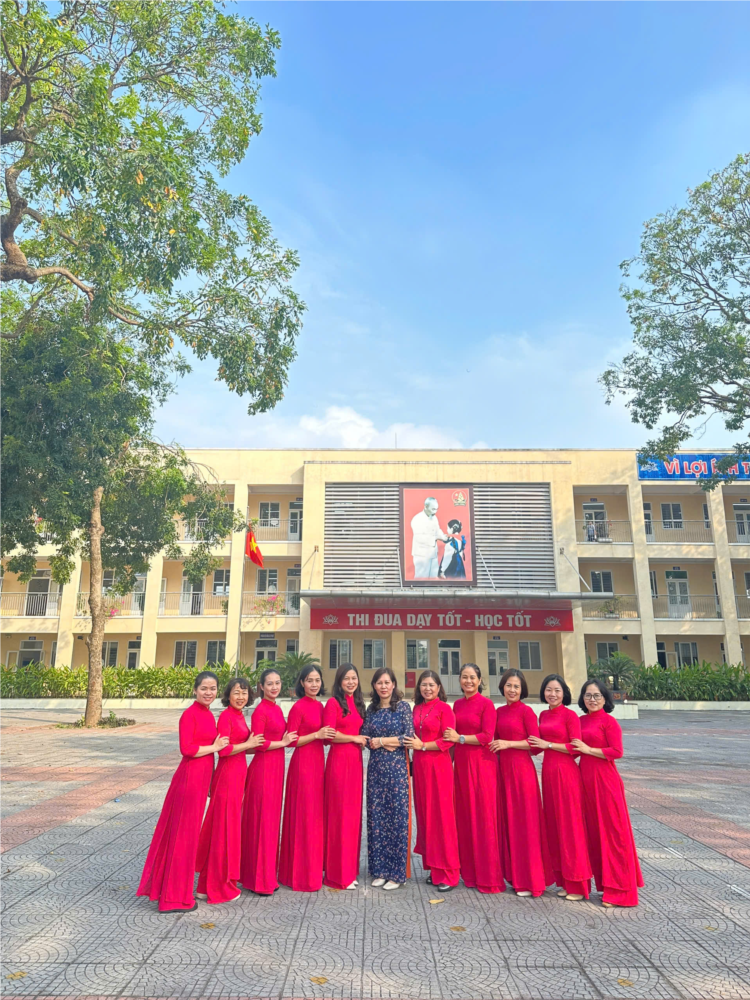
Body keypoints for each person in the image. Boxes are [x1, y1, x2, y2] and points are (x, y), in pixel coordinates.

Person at [137, 671, 229, 912]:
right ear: (194, 690)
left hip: (201, 780)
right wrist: (214, 747)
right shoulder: (189, 715)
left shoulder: (208, 714)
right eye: (204, 688)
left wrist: (211, 780)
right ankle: (173, 899)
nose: (208, 692)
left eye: (212, 688)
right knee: (183, 838)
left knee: (188, 838)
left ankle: (176, 892)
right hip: (189, 780)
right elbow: (186, 749)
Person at [572, 679, 644, 907]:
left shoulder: (609, 722)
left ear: (605, 698)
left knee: (613, 834)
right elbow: (571, 748)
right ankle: (605, 885)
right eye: (588, 695)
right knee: (595, 835)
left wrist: (588, 749)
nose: (592, 699)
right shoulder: (580, 721)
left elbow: (616, 751)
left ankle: (620, 891)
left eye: (597, 695)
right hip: (585, 782)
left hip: (605, 782)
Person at [195, 677, 264, 904]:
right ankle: (217, 887)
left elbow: (244, 747)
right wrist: (249, 744)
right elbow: (223, 751)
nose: (241, 697)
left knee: (225, 829)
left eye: (244, 692)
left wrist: (259, 744)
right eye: (236, 692)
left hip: (237, 776)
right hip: (227, 777)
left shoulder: (239, 716)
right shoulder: (226, 716)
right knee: (222, 830)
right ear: (228, 695)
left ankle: (205, 886)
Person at [528, 674, 592, 901]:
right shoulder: (543, 714)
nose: (552, 694)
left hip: (566, 774)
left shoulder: (570, 715)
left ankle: (579, 885)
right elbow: (535, 746)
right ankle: (564, 881)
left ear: (564, 693)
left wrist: (548, 744)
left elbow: (576, 747)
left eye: (556, 690)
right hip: (548, 773)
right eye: (548, 690)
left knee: (570, 827)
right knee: (555, 826)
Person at [490, 668, 552, 898]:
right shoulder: (498, 712)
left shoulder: (526, 712)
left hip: (522, 772)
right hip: (502, 772)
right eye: (508, 685)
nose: (512, 690)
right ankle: (515, 877)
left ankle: (531, 880)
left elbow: (535, 743)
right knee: (509, 824)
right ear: (502, 687)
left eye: (516, 686)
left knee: (526, 824)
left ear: (522, 689)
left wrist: (508, 744)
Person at [443, 663, 504, 893]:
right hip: (461, 765)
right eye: (464, 677)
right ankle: (468, 874)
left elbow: (487, 736)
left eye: (472, 677)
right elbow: (449, 738)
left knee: (483, 818)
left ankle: (488, 877)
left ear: (479, 680)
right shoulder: (457, 705)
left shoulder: (487, 705)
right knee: (465, 817)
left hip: (482, 765)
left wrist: (460, 738)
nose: (468, 681)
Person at [239, 668, 298, 895]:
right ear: (261, 687)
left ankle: (266, 874)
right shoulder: (260, 711)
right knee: (261, 822)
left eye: (277, 683)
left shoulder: (277, 708)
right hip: (263, 770)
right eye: (270, 684)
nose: (274, 687)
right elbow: (258, 743)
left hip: (276, 769)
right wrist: (282, 743)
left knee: (271, 822)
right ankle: (258, 880)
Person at [278, 664, 335, 892]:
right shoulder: (298, 707)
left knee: (314, 817)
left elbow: (327, 736)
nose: (314, 684)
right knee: (303, 816)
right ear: (302, 683)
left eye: (317, 680)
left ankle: (312, 868)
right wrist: (316, 734)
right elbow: (290, 741)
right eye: (309, 680)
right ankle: (298, 873)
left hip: (318, 764)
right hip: (302, 766)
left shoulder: (320, 706)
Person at [405, 669, 460, 892]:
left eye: (431, 685)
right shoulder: (416, 708)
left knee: (442, 818)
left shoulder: (445, 709)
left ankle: (449, 873)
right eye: (424, 685)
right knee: (426, 816)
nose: (427, 688)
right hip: (420, 768)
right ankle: (434, 869)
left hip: (439, 767)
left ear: (439, 688)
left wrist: (423, 746)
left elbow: (448, 741)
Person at [361, 667, 414, 890]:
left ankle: (396, 874)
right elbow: (365, 736)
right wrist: (380, 742)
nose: (383, 686)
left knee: (397, 818)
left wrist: (382, 741)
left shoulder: (402, 708)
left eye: (387, 682)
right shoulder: (371, 709)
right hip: (376, 771)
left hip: (398, 770)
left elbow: (408, 737)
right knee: (377, 818)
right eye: (379, 683)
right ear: (374, 686)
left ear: (393, 685)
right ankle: (380, 870)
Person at [322, 663, 368, 890]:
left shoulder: (358, 703)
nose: (351, 682)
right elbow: (328, 735)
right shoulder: (333, 703)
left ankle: (349, 870)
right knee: (339, 815)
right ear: (339, 681)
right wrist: (353, 738)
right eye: (347, 678)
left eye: (354, 678)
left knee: (352, 816)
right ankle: (337, 874)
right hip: (339, 763)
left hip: (355, 763)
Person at [411, 497, 449, 578]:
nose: (435, 512)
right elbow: (420, 538)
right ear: (426, 507)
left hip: (433, 553)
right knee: (421, 578)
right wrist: (437, 537)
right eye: (433, 509)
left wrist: (443, 536)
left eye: (436, 509)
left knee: (433, 577)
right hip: (422, 554)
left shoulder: (434, 517)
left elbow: (437, 530)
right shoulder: (417, 519)